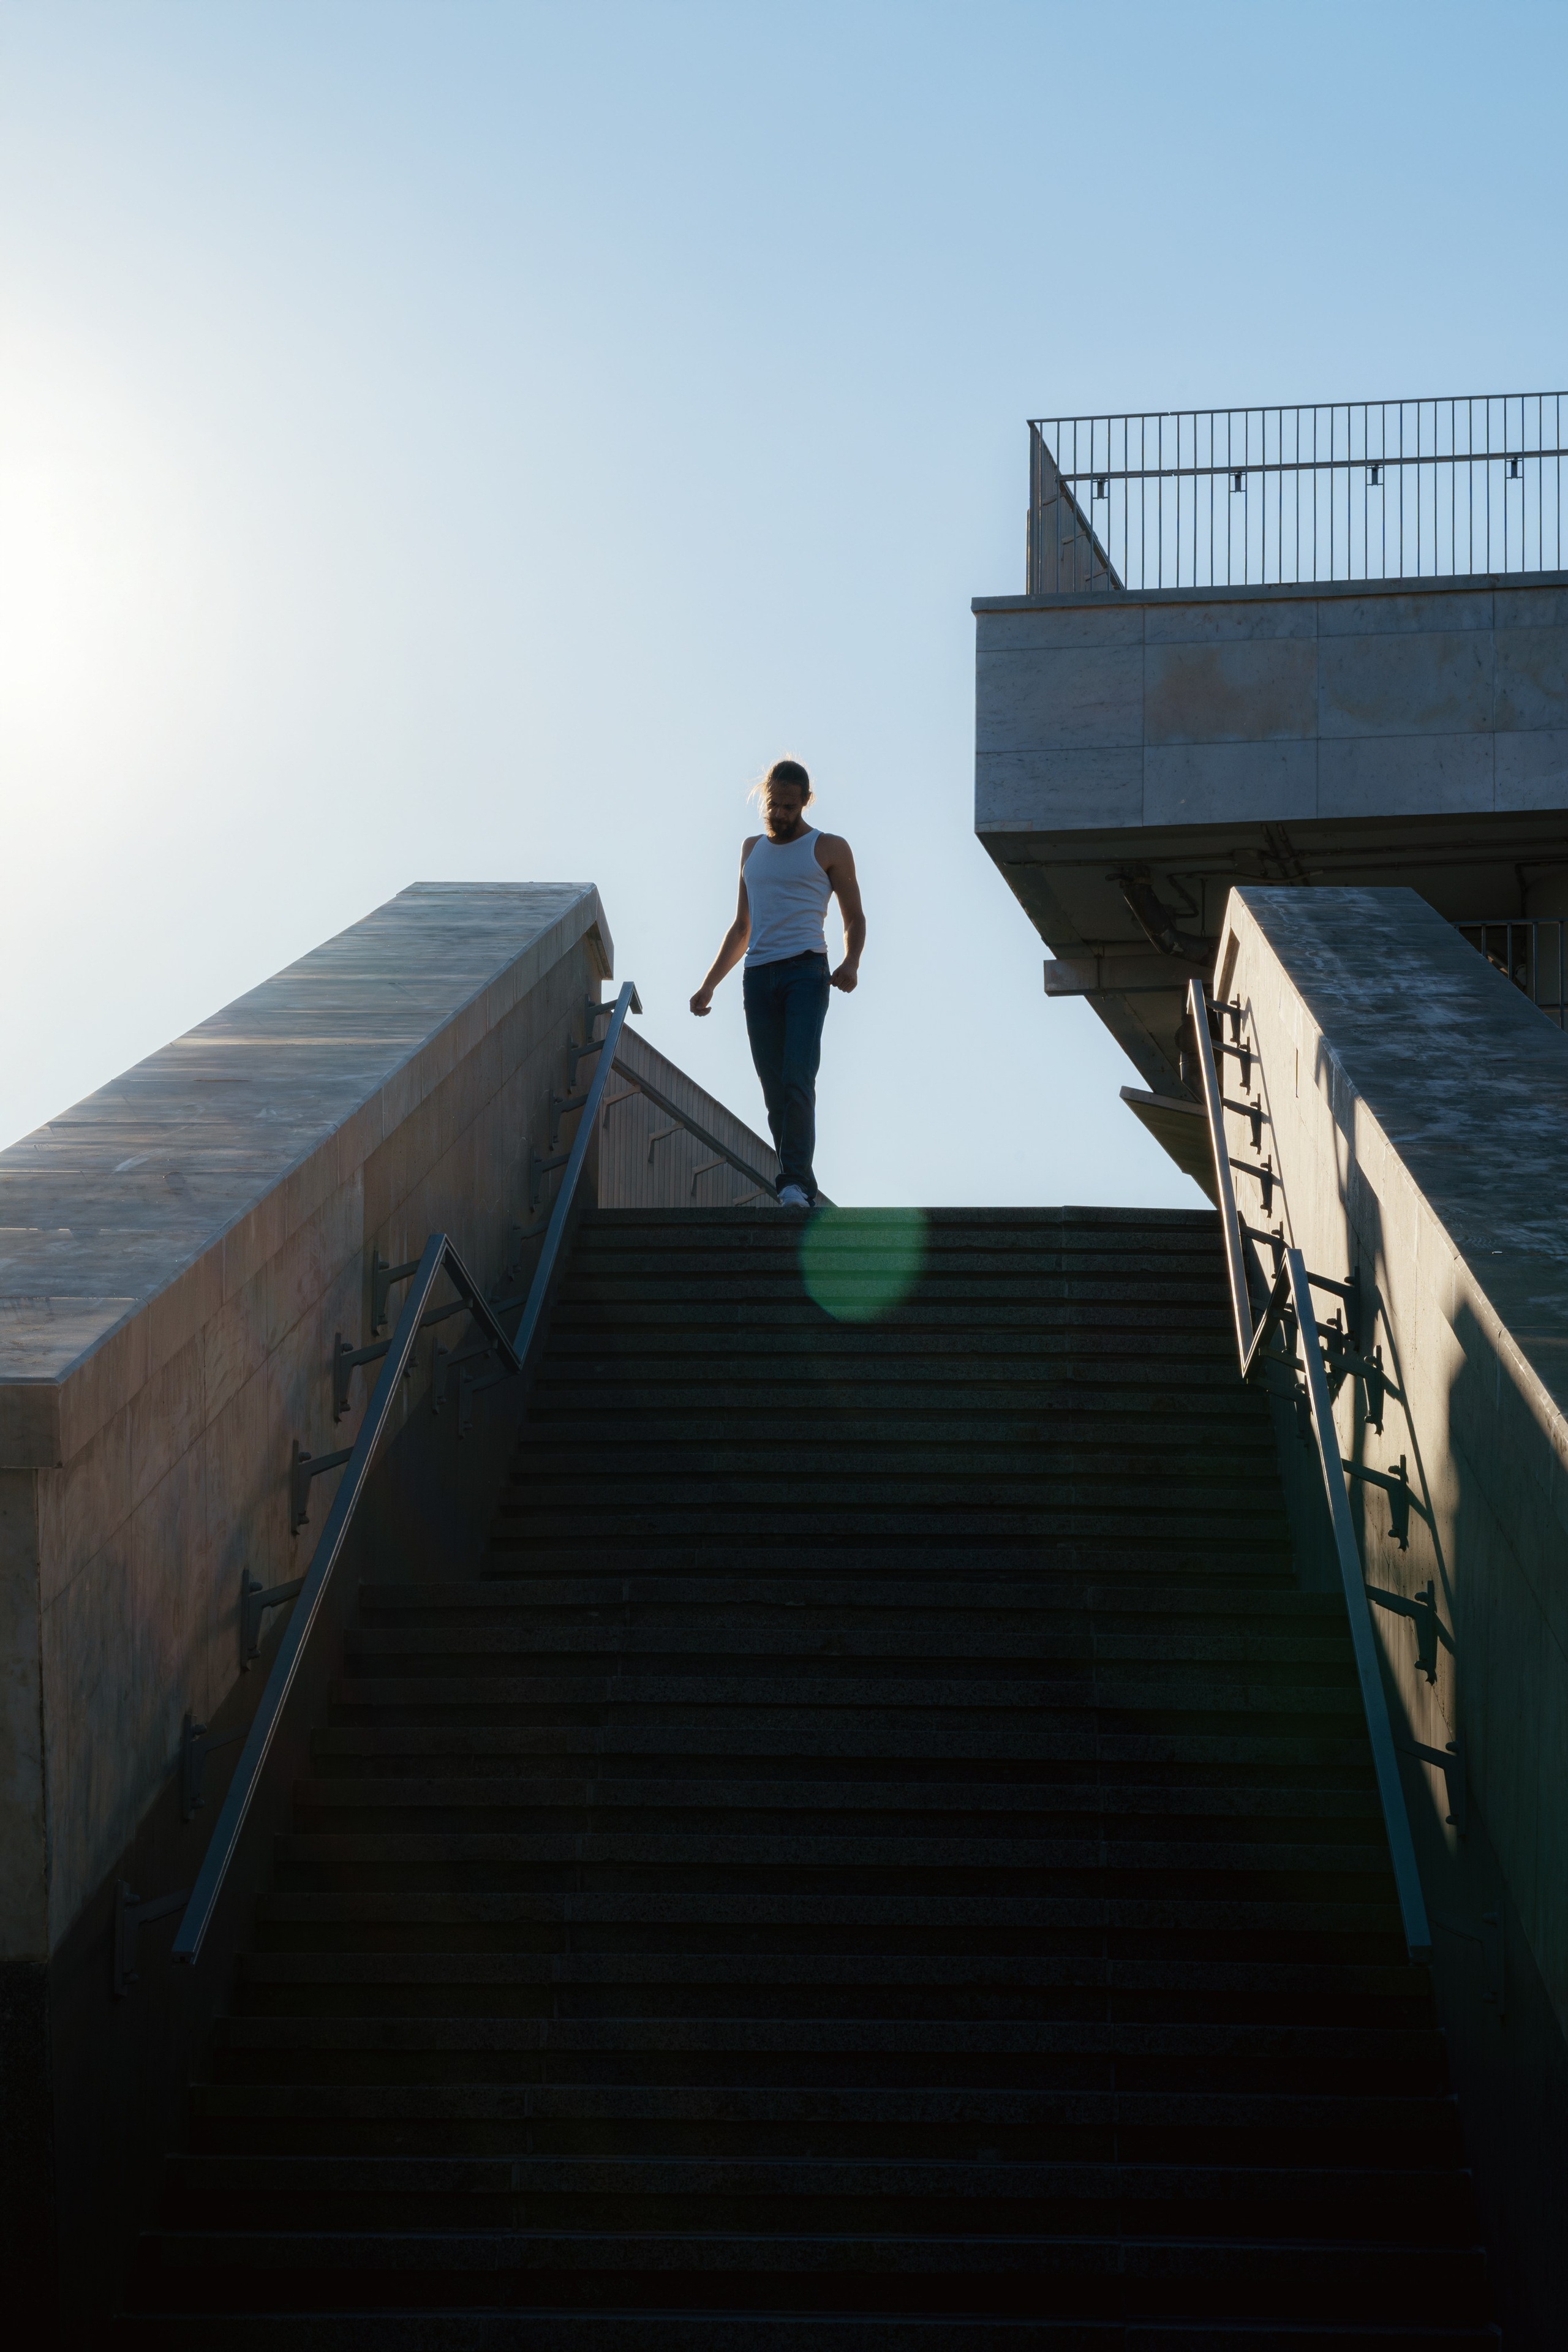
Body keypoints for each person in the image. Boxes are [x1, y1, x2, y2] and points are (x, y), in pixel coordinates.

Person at [690, 758, 864, 1208]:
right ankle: (798, 1182)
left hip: (807, 973)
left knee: (796, 1078)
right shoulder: (751, 850)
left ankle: (792, 1184)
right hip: (758, 976)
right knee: (773, 1089)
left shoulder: (829, 847)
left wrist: (852, 963)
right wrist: (709, 985)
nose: (780, 815)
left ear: (805, 802)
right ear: (762, 798)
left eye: (790, 807)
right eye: (774, 805)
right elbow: (741, 927)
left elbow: (854, 917)